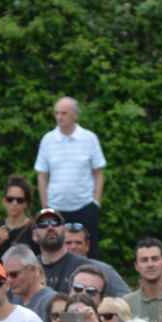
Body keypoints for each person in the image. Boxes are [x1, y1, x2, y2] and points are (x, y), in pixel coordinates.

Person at [34, 96, 106, 254]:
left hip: (85, 206)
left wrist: (96, 203)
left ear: (75, 115)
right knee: (54, 251)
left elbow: (98, 173)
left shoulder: (89, 138)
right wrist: (45, 206)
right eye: (57, 113)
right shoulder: (48, 140)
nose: (59, 117)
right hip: (56, 208)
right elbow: (42, 175)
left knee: (90, 251)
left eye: (64, 113)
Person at [31, 209, 87, 295]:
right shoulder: (27, 269)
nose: (50, 227)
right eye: (43, 224)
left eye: (55, 222)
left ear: (64, 231)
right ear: (34, 235)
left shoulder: (85, 267)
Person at [0, 174, 36, 261]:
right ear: (4, 201)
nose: (14, 203)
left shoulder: (33, 227)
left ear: (26, 203)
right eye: (10, 199)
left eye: (19, 200)